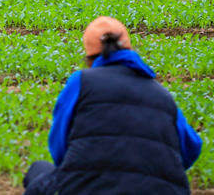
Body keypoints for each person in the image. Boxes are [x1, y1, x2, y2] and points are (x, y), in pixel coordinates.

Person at [23, 16, 202, 195]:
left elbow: (59, 146)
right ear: (129, 48)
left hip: (89, 188)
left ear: (89, 57)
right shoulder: (160, 94)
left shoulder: (82, 82)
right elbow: (191, 147)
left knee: (39, 171)